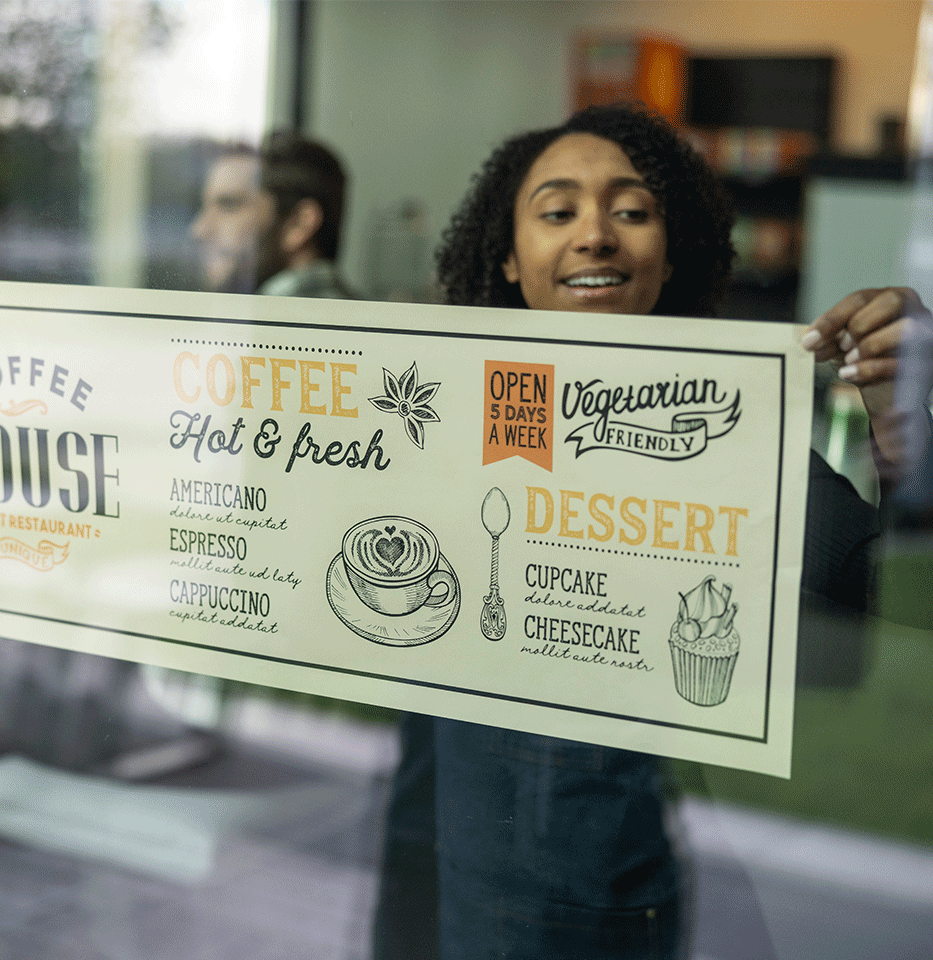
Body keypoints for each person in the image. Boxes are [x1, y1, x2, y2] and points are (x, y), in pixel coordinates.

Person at [371, 103, 933, 960]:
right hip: (460, 893)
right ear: (509, 260)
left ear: (670, 258)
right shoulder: (432, 437)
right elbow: (415, 752)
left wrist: (907, 442)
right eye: (557, 212)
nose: (595, 234)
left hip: (621, 911)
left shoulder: (735, 433)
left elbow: (872, 631)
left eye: (630, 211)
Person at [191, 131, 358, 299]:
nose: (198, 230)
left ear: (299, 224)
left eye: (229, 205)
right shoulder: (340, 313)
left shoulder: (286, 319)